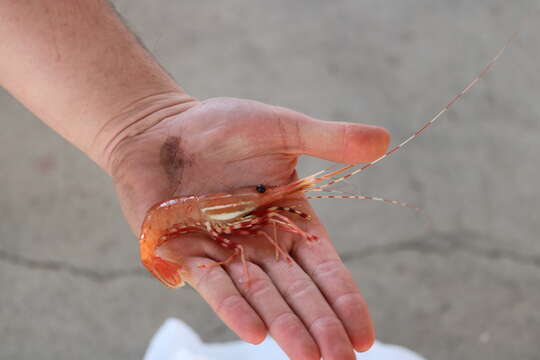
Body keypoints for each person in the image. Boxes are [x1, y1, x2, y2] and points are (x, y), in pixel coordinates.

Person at [0, 2, 391, 360]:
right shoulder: (200, 219)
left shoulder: (243, 208)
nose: (265, 194)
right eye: (260, 191)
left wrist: (140, 120)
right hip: (162, 230)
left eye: (260, 193)